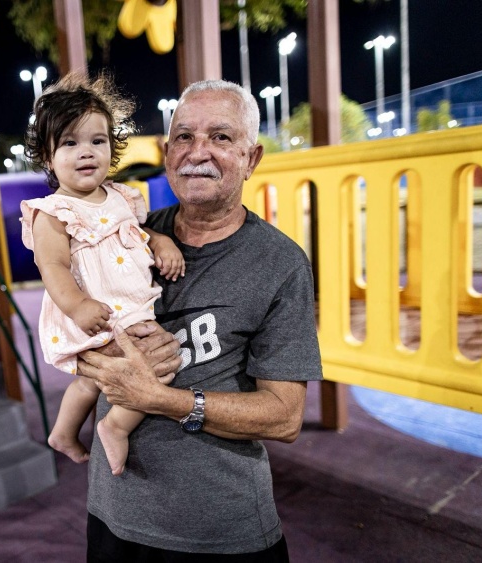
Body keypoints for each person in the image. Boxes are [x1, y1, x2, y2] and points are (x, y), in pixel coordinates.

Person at [78, 79, 323, 560]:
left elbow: (285, 416)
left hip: (219, 531)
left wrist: (162, 399)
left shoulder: (280, 264)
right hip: (113, 515)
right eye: (185, 137)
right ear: (168, 153)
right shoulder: (124, 236)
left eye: (221, 137)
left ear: (251, 159)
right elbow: (68, 330)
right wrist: (97, 359)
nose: (198, 152)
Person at [20, 73, 186, 476]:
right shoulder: (53, 212)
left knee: (94, 382)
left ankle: (62, 433)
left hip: (130, 307)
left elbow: (136, 233)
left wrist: (160, 241)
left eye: (97, 141)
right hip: (94, 309)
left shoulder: (121, 197)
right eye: (70, 143)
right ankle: (114, 427)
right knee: (161, 366)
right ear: (47, 157)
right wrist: (77, 306)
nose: (86, 152)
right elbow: (53, 265)